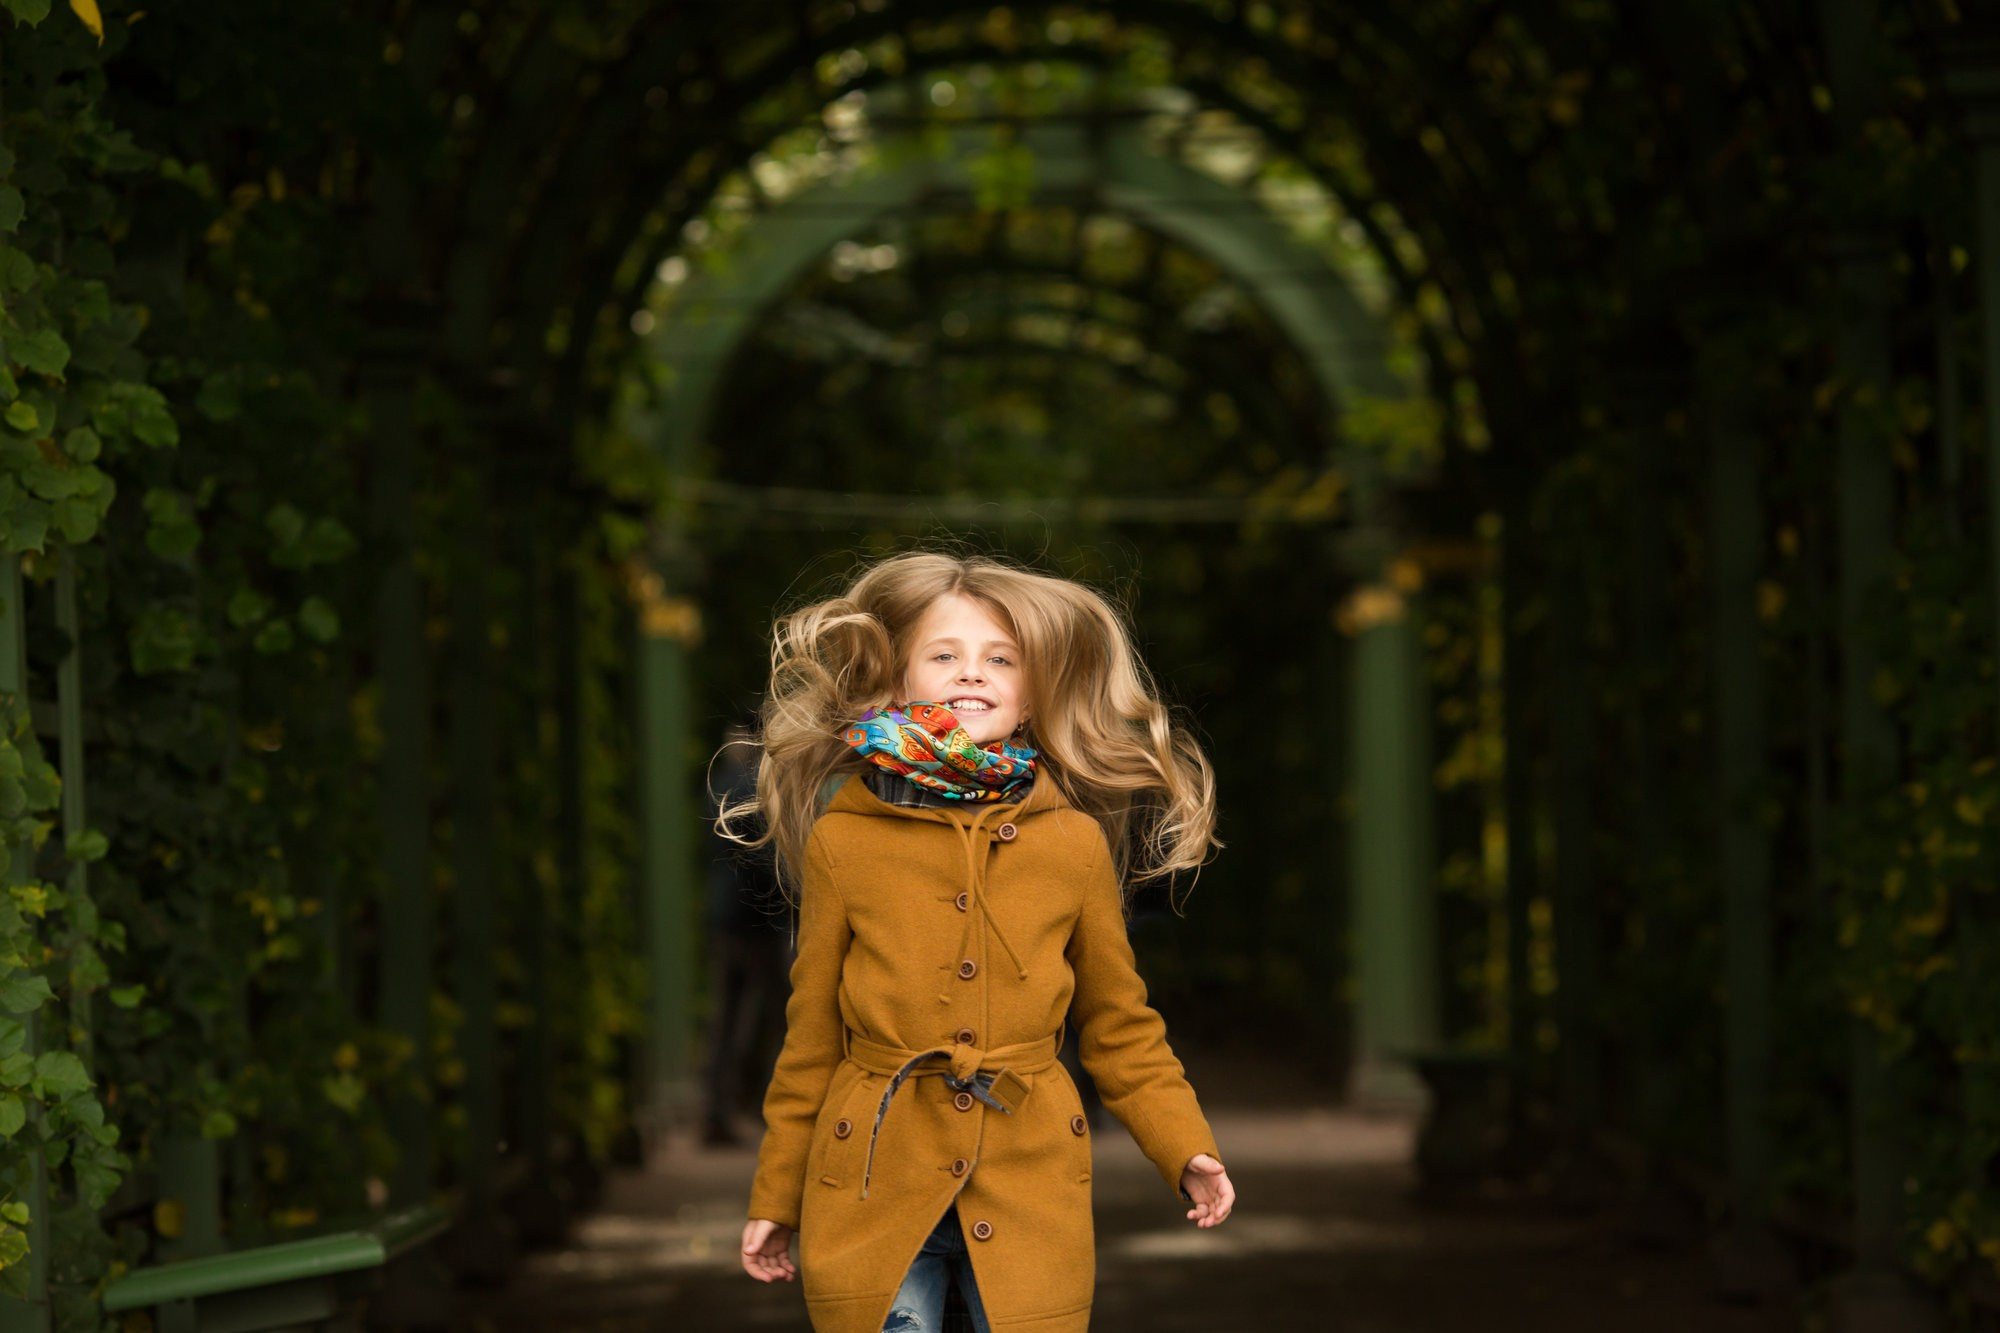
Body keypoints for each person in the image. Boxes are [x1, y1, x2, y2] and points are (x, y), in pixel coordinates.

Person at [727, 552, 1236, 1333]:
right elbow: (812, 1040)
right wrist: (776, 1193)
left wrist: (1185, 1148)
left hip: (1029, 1179)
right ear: (899, 682)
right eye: (944, 655)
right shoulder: (843, 840)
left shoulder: (1072, 843)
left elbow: (1119, 1025)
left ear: (1032, 695)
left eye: (1001, 658)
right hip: (871, 1181)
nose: (973, 673)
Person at [700, 716, 790, 1147]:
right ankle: (759, 1104)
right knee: (778, 1014)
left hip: (727, 917)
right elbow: (761, 854)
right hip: (756, 921)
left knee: (729, 1016)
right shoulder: (752, 785)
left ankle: (719, 1109)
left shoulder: (720, 781)